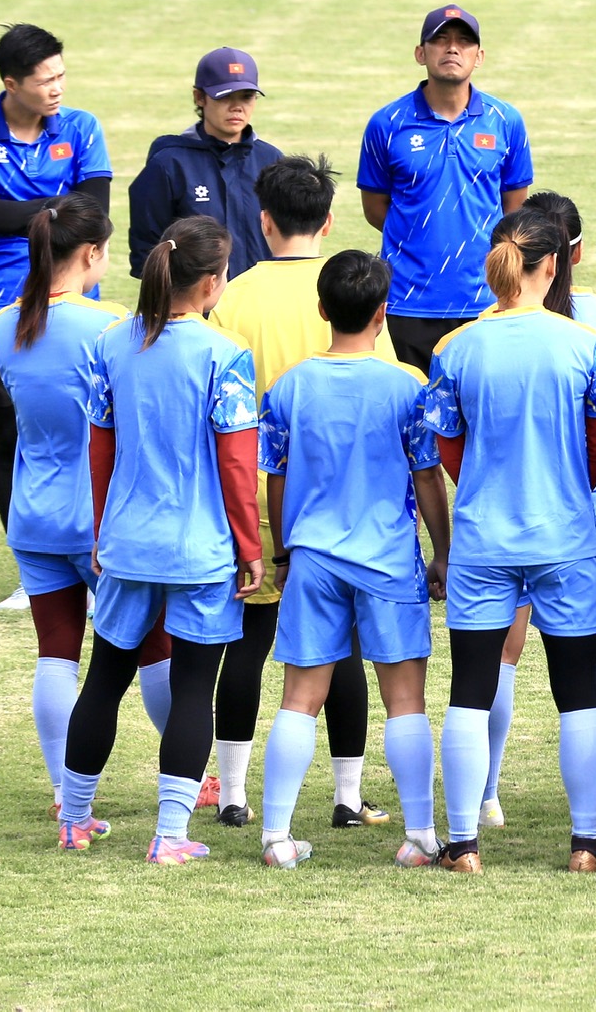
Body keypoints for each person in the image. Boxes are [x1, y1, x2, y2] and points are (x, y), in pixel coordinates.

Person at [421, 209, 596, 874]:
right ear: (554, 264)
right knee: (577, 694)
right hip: (565, 532)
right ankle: (586, 842)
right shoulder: (586, 342)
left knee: (469, 691)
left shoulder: (455, 347)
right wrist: (566, 483)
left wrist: (483, 482)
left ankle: (462, 843)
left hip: (482, 534)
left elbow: (451, 446)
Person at [56, 216, 260, 865]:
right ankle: (170, 835)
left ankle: (76, 819)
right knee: (194, 686)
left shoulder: (112, 344)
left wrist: (99, 530)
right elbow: (235, 463)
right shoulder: (223, 355)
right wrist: (250, 546)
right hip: (199, 550)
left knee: (104, 679)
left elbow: (100, 447)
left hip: (125, 542)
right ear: (210, 283)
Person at [253, 250, 452, 870]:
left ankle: (276, 837)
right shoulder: (407, 386)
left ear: (321, 309)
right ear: (384, 314)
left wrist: (284, 550)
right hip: (389, 560)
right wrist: (442, 553)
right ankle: (419, 835)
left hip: (312, 558)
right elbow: (427, 479)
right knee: (405, 701)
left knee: (298, 699)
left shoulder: (289, 386)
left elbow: (276, 479)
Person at [203, 154, 376, 831]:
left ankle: (236, 794)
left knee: (246, 643)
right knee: (345, 648)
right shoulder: (350, 291)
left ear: (262, 219)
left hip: (252, 499)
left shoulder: (233, 298)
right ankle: (347, 795)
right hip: (341, 506)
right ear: (329, 219)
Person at [0, 194, 171, 824]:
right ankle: (191, 773)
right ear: (92, 253)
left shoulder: (2, 322)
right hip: (101, 515)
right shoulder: (111, 325)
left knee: (56, 652)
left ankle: (66, 790)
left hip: (32, 511)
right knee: (153, 645)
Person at [484, 191, 596, 835]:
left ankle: (486, 793)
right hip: (591, 512)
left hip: (505, 512)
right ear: (572, 254)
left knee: (502, 648)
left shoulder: (484, 323)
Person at [0, 22, 113, 607]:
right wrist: (58, 207)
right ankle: (32, 573)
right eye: (45, 80)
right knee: (9, 437)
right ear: (10, 83)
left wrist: (11, 204)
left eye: (61, 75)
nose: (57, 88)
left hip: (75, 306)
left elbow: (94, 211)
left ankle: (94, 562)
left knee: (89, 432)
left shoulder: (82, 127)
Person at [357, 4, 534, 373]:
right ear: (420, 53)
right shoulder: (386, 124)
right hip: (407, 302)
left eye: (464, 42)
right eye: (440, 40)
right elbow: (375, 208)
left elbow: (513, 208)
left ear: (479, 56)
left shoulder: (506, 121)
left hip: (484, 299)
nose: (452, 49)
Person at [128, 47, 283, 278]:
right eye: (225, 96)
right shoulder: (169, 163)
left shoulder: (272, 161)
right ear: (199, 97)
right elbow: (148, 252)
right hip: (193, 309)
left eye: (247, 97)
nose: (237, 107)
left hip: (259, 304)